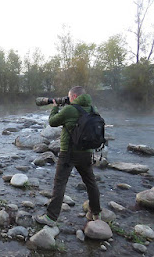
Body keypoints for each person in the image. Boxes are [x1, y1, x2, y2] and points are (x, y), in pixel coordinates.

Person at [34, 86, 101, 227]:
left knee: (60, 183)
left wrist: (55, 107)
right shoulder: (93, 109)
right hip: (87, 153)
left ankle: (51, 217)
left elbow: (52, 122)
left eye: (69, 97)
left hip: (68, 153)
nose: (68, 98)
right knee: (90, 182)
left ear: (74, 97)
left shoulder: (70, 109)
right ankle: (95, 213)